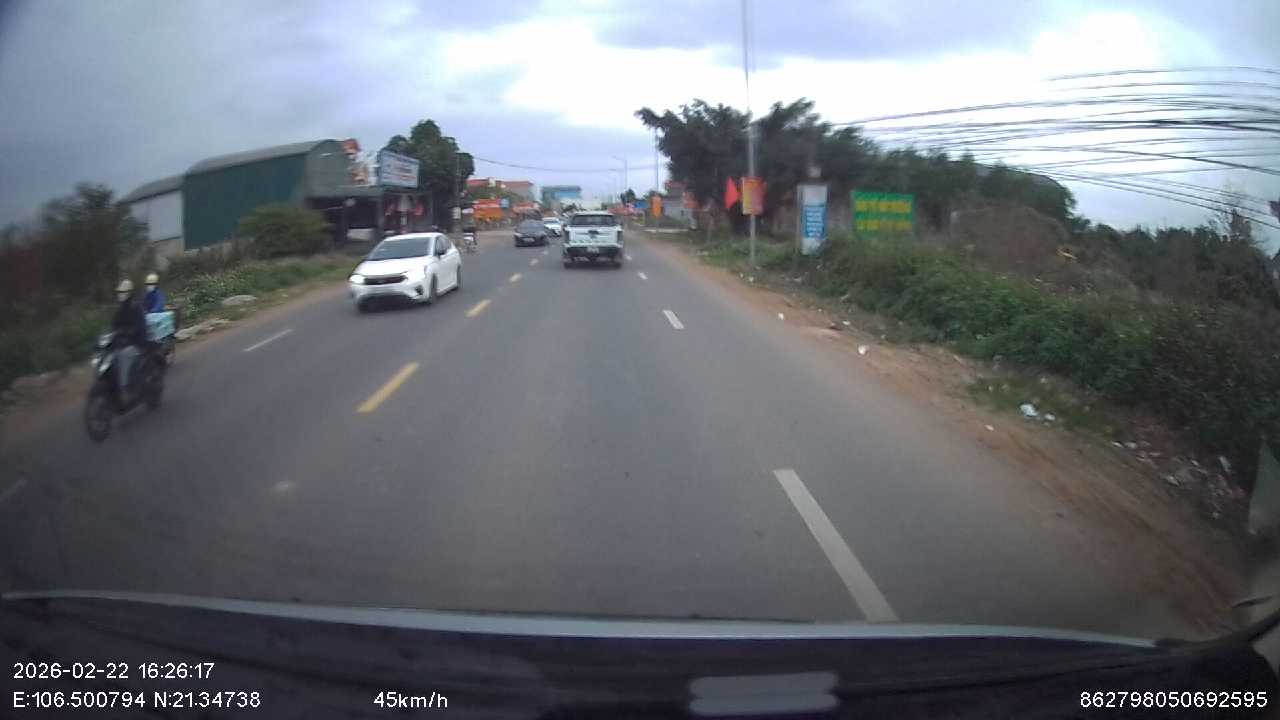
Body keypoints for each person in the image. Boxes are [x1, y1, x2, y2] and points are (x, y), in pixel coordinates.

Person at [110, 279, 149, 396]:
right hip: (124, 342)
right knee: (110, 356)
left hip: (137, 343)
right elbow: (114, 325)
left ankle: (124, 386)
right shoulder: (120, 309)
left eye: (123, 292)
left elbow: (140, 327)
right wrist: (112, 334)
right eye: (119, 292)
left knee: (124, 355)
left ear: (129, 293)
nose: (120, 295)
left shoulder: (136, 307)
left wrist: (127, 333)